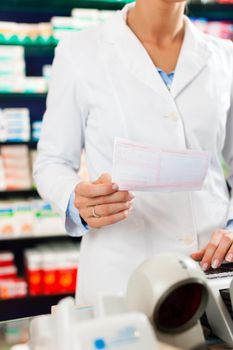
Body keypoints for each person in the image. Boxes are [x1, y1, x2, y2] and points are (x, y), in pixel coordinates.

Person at [34, 0, 233, 304]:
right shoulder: (79, 51)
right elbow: (52, 162)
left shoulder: (225, 57)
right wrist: (78, 201)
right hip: (122, 274)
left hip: (212, 267)